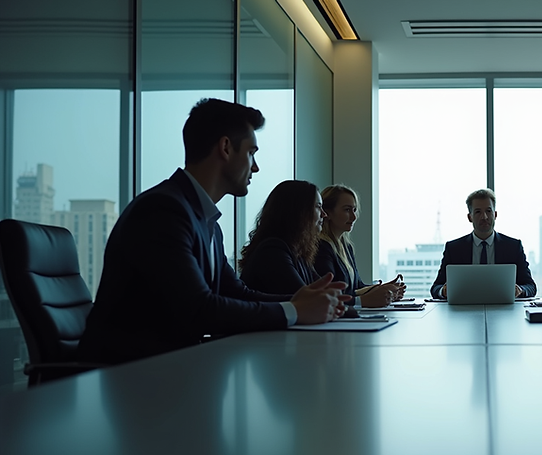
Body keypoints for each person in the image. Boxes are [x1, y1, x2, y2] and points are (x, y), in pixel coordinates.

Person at [78, 99, 349, 365]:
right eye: (251, 153)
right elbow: (199, 309)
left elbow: (237, 293)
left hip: (174, 369)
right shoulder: (163, 211)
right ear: (226, 148)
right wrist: (294, 310)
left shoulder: (206, 221)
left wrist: (303, 301)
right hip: (132, 378)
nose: (255, 166)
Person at [430, 188, 536, 299]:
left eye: (488, 211)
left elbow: (530, 286)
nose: (484, 217)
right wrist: (443, 291)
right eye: (478, 212)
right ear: (469, 217)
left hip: (505, 311)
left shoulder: (513, 247)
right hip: (463, 311)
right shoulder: (454, 249)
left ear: (495, 215)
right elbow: (436, 288)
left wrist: (521, 290)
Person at [314, 184, 405, 307]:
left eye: (354, 210)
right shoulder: (321, 247)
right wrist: (374, 293)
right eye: (347, 210)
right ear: (327, 213)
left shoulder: (346, 247)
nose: (354, 217)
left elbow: (357, 287)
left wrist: (384, 290)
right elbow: (333, 294)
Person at [239, 180, 325, 294]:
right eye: (318, 207)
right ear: (299, 211)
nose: (324, 214)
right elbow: (308, 299)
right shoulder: (273, 251)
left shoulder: (297, 251)